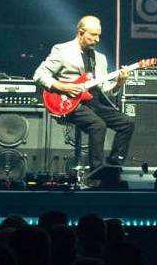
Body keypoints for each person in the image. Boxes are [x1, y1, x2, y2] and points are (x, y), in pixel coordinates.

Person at [34, 15, 135, 175]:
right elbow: (39, 75)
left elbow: (104, 88)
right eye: (93, 35)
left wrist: (119, 83)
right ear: (80, 32)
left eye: (99, 35)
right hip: (69, 103)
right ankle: (97, 170)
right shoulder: (62, 50)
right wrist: (62, 87)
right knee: (98, 125)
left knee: (127, 123)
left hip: (94, 103)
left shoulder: (100, 58)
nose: (97, 39)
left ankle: (114, 165)